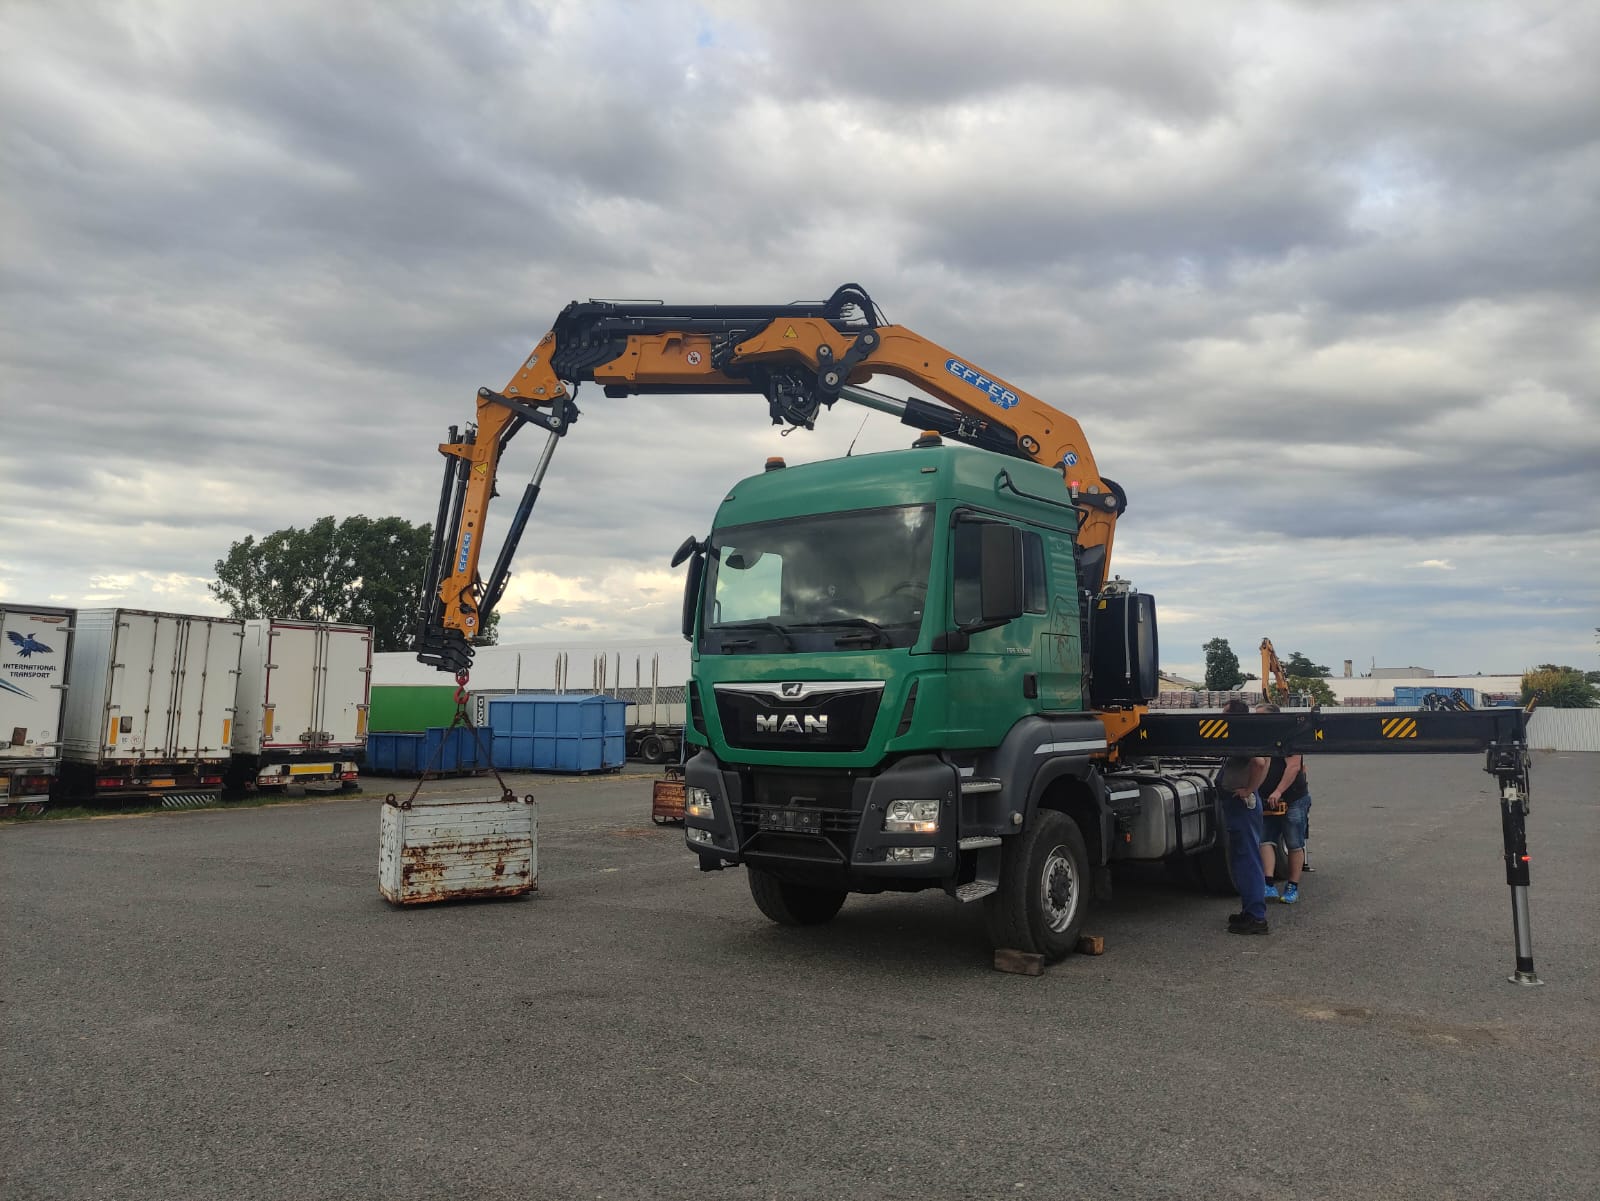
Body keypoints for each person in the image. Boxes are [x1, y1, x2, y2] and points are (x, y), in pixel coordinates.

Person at [1217, 699, 1272, 935]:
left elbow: (1259, 763)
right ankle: (1249, 910)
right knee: (1244, 857)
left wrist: (1249, 790)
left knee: (1247, 858)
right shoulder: (1248, 734)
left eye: (1224, 714)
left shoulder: (1242, 735)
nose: (1221, 718)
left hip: (1241, 805)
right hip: (1241, 803)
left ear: (1233, 716)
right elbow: (1265, 762)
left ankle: (1256, 917)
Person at [1254, 702, 1310, 903]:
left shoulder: (1289, 736)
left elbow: (1293, 767)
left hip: (1293, 798)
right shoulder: (1258, 738)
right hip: (1266, 798)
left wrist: (1278, 791)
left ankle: (1292, 887)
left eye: (1260, 717)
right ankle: (1267, 884)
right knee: (1264, 840)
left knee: (1294, 842)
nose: (1256, 721)